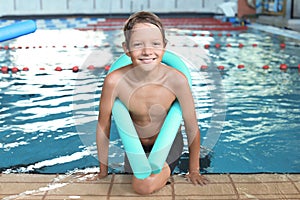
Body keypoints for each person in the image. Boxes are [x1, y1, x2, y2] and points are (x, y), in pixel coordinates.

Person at [94, 11, 209, 194]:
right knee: (135, 177)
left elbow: (192, 126)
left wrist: (193, 170)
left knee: (143, 186)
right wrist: (103, 171)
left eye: (155, 44)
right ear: (126, 48)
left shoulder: (176, 81)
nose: (147, 51)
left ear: (164, 46)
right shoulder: (115, 81)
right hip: (135, 146)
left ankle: (186, 161)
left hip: (167, 144)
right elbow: (103, 126)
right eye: (138, 44)